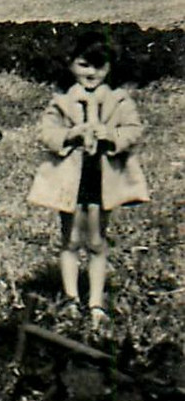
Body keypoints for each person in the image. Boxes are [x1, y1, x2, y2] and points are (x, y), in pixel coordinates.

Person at [27, 34, 149, 326]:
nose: (91, 73)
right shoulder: (62, 100)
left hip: (100, 177)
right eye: (84, 65)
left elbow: (134, 130)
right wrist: (71, 134)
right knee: (69, 239)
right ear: (70, 64)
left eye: (99, 66)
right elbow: (46, 132)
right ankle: (70, 298)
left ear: (110, 68)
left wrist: (112, 135)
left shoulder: (118, 100)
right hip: (70, 178)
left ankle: (95, 302)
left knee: (96, 240)